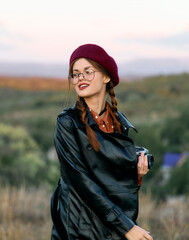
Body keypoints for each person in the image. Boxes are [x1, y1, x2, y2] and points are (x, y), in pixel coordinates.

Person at [50, 44, 153, 240]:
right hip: (79, 228)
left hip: (112, 226)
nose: (80, 78)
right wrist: (127, 228)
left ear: (106, 77)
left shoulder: (118, 122)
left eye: (88, 72)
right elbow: (81, 181)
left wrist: (137, 171)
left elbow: (114, 181)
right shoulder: (67, 123)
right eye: (76, 74)